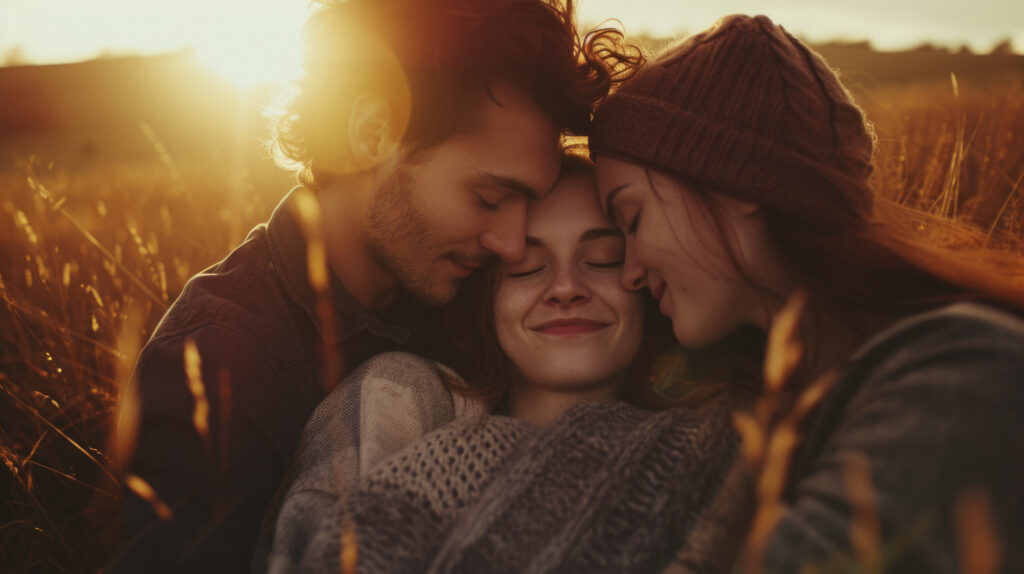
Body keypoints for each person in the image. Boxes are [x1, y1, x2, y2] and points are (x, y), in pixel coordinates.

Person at [110, 1, 618, 571]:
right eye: (490, 199)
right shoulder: (216, 361)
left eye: (527, 204)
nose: (511, 244)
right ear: (372, 133)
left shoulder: (479, 290)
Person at [588, 14, 1024, 573]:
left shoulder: (961, 378)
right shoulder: (801, 404)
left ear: (734, 180)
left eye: (632, 218)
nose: (628, 273)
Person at [257, 156, 688, 572]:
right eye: (527, 268)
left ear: (645, 281)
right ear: (488, 303)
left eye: (603, 260)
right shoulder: (404, 397)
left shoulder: (710, 449)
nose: (566, 287)